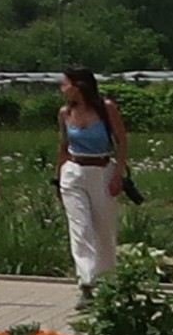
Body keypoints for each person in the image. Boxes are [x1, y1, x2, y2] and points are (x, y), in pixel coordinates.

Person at [54, 67, 130, 286]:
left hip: (102, 170)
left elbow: (122, 142)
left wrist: (118, 175)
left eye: (65, 84)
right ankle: (87, 282)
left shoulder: (106, 109)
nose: (63, 89)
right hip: (74, 171)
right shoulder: (65, 113)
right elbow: (63, 146)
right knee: (81, 229)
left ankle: (107, 282)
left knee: (104, 230)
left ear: (78, 86)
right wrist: (58, 179)